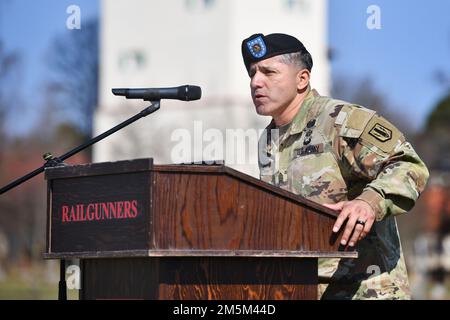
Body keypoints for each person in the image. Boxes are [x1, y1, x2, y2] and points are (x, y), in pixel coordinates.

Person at [241, 33, 430, 299]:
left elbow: (408, 164)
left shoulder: (340, 121)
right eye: (252, 73)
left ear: (302, 79)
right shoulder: (268, 140)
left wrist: (368, 202)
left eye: (268, 72)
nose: (255, 82)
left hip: (365, 291)